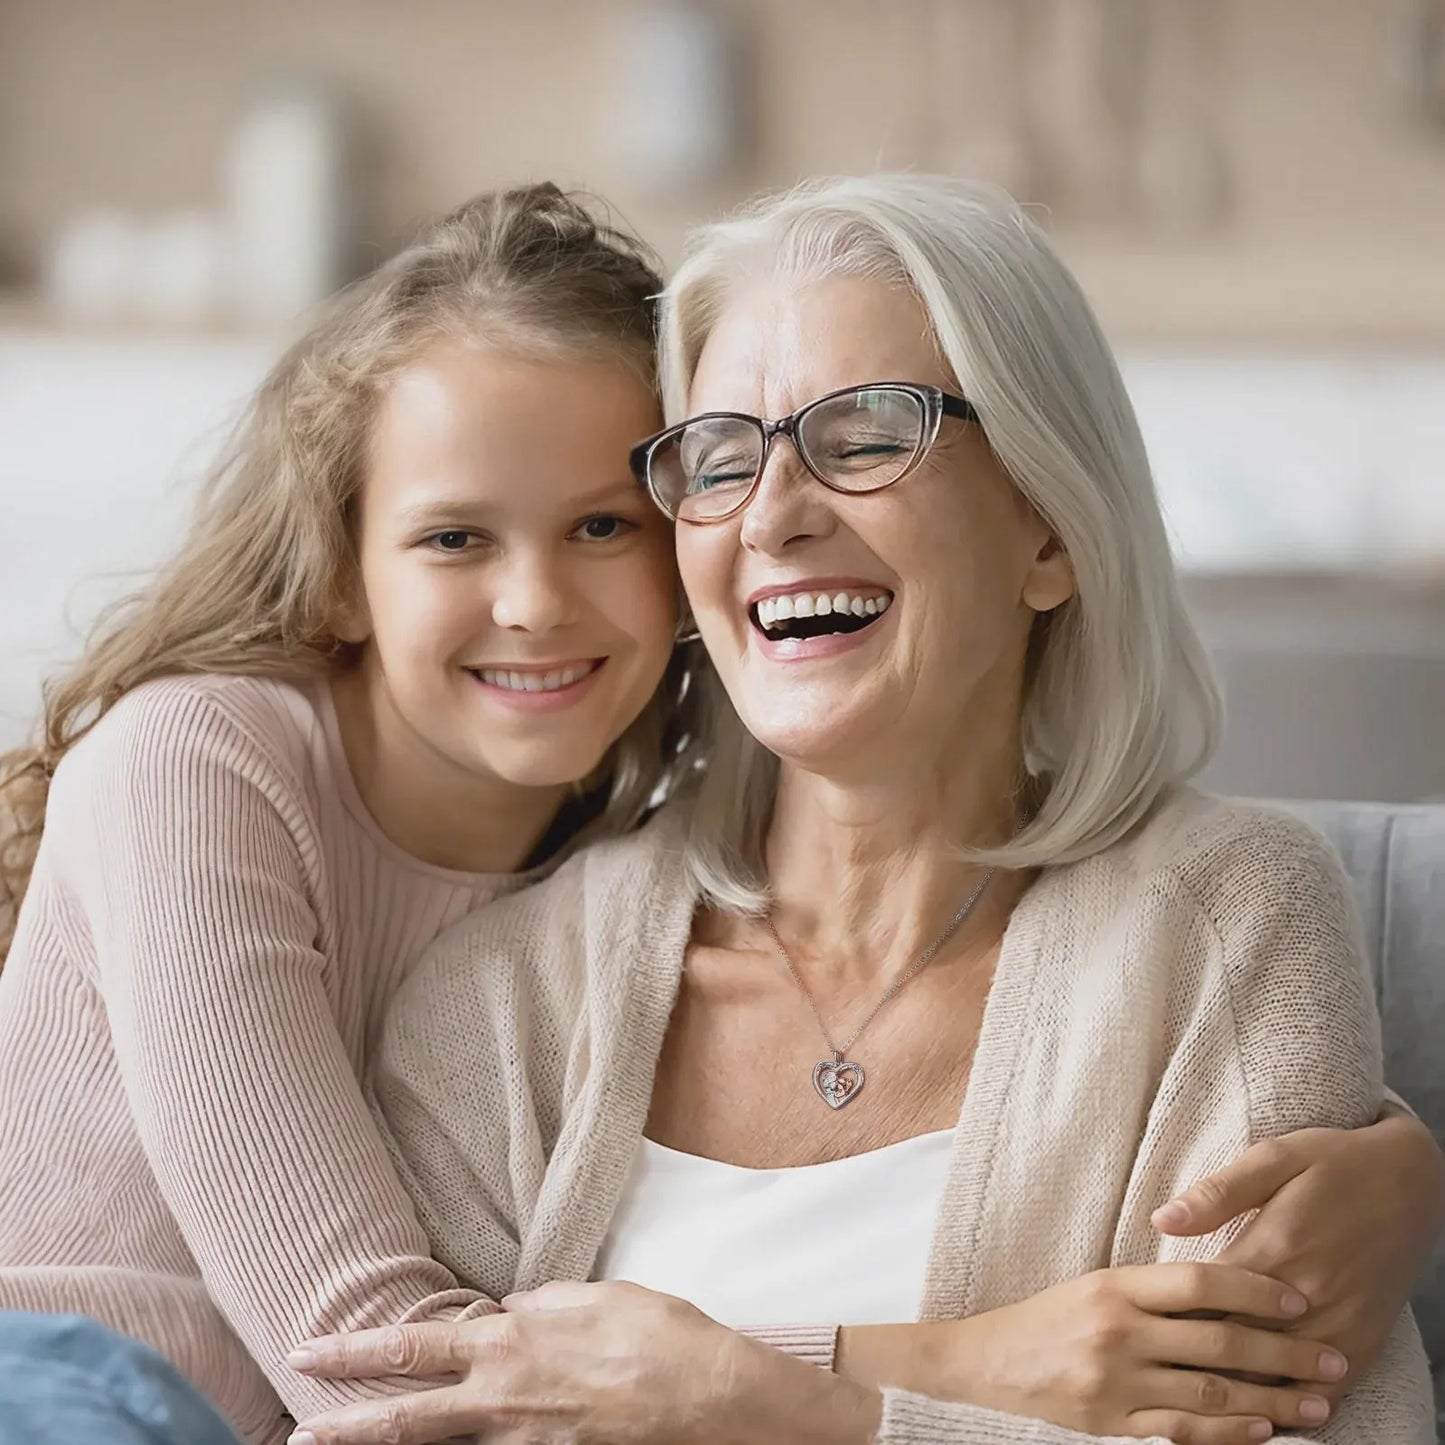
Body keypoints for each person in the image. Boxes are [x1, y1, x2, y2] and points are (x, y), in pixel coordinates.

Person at [288, 175, 1440, 1445]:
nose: (775, 515)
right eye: (720, 455)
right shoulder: (510, 994)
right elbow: (399, 1417)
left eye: (867, 434)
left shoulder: (1222, 924)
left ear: (1049, 529)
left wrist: (786, 1410)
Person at [0, 184, 699, 1444]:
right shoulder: (195, 764)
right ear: (340, 571)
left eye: (603, 524)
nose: (535, 600)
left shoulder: (639, 858)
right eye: (453, 537)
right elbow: (365, 1360)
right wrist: (890, 1384)